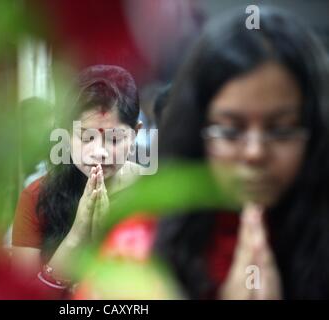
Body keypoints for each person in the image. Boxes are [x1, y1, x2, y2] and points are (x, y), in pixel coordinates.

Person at [93, 7, 329, 300]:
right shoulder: (137, 252)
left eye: (281, 130)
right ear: (196, 132)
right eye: (230, 131)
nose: (255, 152)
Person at [11, 65, 144, 292]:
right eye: (86, 137)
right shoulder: (35, 198)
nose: (99, 152)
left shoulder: (154, 192)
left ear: (136, 134)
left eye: (115, 140)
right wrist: (78, 232)